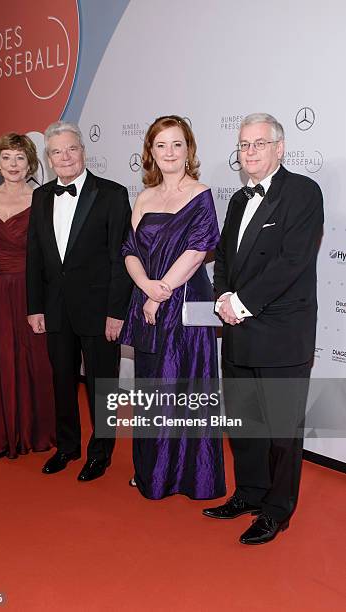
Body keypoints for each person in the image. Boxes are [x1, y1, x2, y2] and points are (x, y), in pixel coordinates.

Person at [203, 113, 324, 544]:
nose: (249, 151)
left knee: (280, 432)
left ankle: (276, 510)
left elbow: (292, 262)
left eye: (258, 143)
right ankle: (250, 494)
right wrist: (221, 298)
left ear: (280, 147)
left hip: (280, 334)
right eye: (243, 145)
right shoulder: (237, 199)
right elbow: (225, 260)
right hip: (237, 331)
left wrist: (241, 302)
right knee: (244, 424)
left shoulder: (303, 193)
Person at [120, 115, 226, 500]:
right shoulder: (144, 196)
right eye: (161, 145)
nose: (169, 152)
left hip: (185, 300)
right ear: (150, 151)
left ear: (188, 150)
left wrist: (158, 291)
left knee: (186, 383)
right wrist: (145, 285)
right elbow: (130, 251)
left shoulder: (201, 193)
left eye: (177, 144)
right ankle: (152, 471)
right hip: (147, 299)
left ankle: (190, 475)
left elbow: (198, 250)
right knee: (152, 386)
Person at [26, 121, 133, 481]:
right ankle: (67, 447)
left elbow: (122, 258)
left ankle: (100, 453)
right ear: (49, 158)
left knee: (103, 385)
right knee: (62, 380)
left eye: (72, 148)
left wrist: (117, 312)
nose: (66, 156)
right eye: (57, 151)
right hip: (56, 309)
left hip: (100, 310)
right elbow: (35, 257)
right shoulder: (41, 196)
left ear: (83, 151)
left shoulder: (112, 194)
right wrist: (35, 306)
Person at [0, 133, 55, 459]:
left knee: (34, 359)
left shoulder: (42, 198)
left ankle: (35, 431)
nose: (13, 165)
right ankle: (1, 434)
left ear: (30, 163)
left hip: (30, 286)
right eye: (7, 158)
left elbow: (48, 253)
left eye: (20, 158)